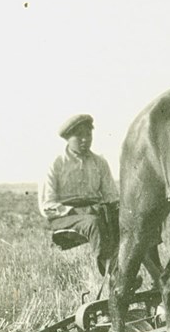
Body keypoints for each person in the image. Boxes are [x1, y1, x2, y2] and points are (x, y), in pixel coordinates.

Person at [38, 113, 121, 276]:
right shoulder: (56, 163)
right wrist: (78, 211)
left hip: (95, 211)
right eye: (79, 135)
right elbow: (47, 207)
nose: (85, 139)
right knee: (94, 223)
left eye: (88, 134)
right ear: (68, 138)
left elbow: (112, 196)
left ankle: (155, 272)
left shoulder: (99, 162)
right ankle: (113, 273)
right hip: (64, 218)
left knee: (134, 220)